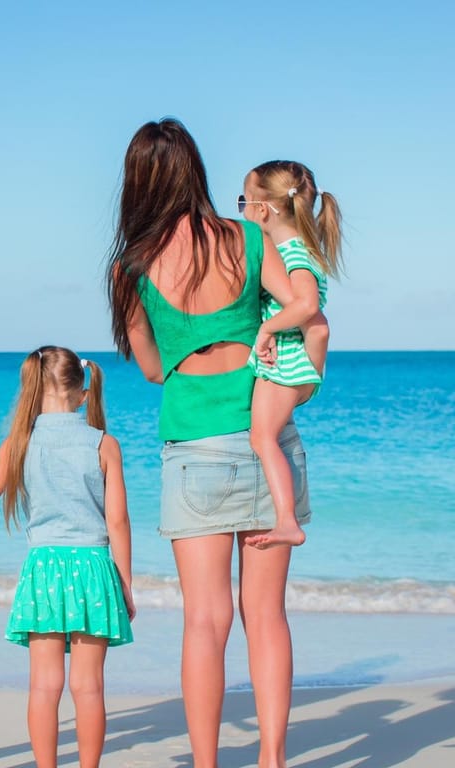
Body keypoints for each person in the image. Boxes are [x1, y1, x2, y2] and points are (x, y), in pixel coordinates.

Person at [104, 119, 314, 768]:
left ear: (137, 184)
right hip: (267, 437)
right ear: (194, 170)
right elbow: (302, 304)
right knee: (267, 615)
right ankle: (273, 759)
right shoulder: (248, 238)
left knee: (205, 622)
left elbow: (147, 366)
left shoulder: (131, 267)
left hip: (194, 449)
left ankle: (205, 762)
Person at [0, 347, 133, 768]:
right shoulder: (104, 444)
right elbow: (117, 521)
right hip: (95, 568)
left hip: (43, 569)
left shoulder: (19, 444)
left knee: (44, 686)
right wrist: (125, 582)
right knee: (90, 687)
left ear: (33, 389)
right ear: (84, 392)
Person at [238, 161, 342, 549]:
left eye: (243, 201)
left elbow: (307, 306)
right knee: (267, 436)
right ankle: (285, 518)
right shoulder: (300, 248)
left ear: (262, 210)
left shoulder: (292, 252)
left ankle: (286, 521)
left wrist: (266, 328)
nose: (243, 211)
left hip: (286, 359)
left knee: (263, 437)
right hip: (291, 359)